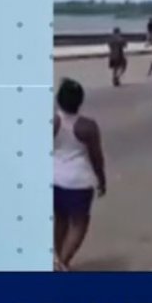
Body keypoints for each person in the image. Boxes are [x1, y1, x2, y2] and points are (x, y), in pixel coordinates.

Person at [53, 79, 107, 271]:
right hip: (79, 182)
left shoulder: (52, 122)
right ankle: (63, 262)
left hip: (54, 178)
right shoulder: (88, 126)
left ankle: (57, 258)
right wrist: (101, 179)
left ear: (58, 99)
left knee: (60, 219)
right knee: (79, 223)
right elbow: (96, 156)